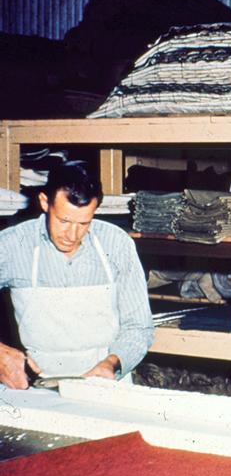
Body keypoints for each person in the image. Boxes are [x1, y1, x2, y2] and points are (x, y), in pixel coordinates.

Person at [0, 162, 153, 388]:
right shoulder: (13, 245)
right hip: (36, 385)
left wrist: (113, 363)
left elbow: (139, 326)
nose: (72, 235)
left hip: (105, 384)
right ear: (45, 202)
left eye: (84, 223)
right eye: (63, 221)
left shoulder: (117, 244)